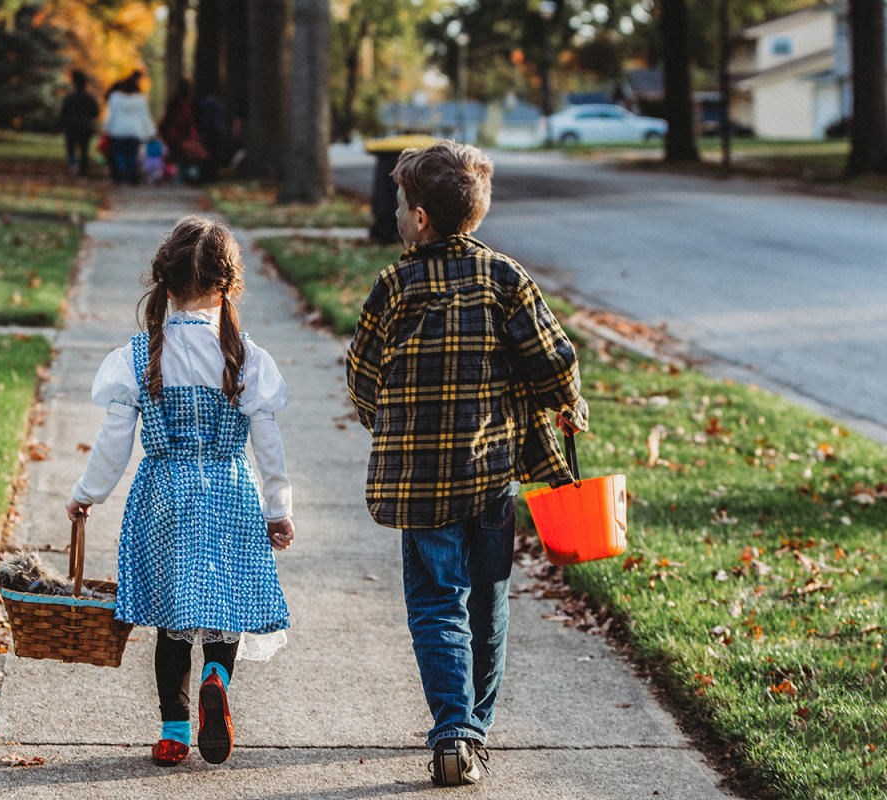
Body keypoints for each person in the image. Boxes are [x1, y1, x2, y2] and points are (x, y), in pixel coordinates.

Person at [344, 141, 589, 787]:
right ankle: (471, 730)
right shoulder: (505, 277)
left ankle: (454, 728)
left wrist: (389, 424)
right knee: (488, 599)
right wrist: (568, 406)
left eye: (399, 204)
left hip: (420, 482)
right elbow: (553, 359)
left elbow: (363, 375)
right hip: (491, 475)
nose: (396, 214)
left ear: (419, 217)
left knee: (434, 603)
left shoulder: (394, 285)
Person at [66, 216, 295, 768]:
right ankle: (217, 676)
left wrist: (87, 492)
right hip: (231, 492)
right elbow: (269, 444)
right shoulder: (246, 358)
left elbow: (114, 442)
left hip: (165, 494)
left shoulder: (139, 355)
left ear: (165, 283)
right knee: (224, 607)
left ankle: (173, 730)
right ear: (227, 286)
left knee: (172, 621)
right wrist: (279, 508)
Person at [102, 70, 157, 185]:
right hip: (134, 131)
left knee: (119, 154)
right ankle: (131, 176)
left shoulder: (115, 98)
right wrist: (150, 132)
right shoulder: (140, 99)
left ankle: (121, 174)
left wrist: (107, 128)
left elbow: (111, 115)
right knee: (132, 155)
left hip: (118, 131)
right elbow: (145, 117)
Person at [57, 69, 100, 177]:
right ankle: (83, 170)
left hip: (71, 127)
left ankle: (73, 165)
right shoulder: (90, 98)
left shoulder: (69, 98)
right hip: (85, 127)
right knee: (84, 150)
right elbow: (96, 112)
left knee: (71, 148)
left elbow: (63, 112)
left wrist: (61, 124)